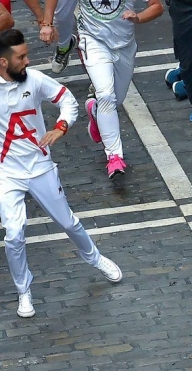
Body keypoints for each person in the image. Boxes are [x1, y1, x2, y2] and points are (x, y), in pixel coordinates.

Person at [0, 29, 123, 318]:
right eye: (21, 57)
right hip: (7, 173)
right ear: (4, 62)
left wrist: (61, 126)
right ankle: (23, 291)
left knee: (68, 222)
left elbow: (67, 99)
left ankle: (96, 258)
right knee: (14, 234)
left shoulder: (35, 80)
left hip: (41, 167)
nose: (28, 61)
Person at [41, 0, 164, 180]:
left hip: (125, 44)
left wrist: (138, 17)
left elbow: (157, 7)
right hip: (92, 41)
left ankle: (95, 110)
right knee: (106, 95)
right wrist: (46, 24)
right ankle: (114, 156)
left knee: (116, 100)